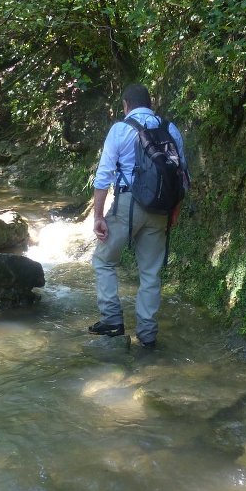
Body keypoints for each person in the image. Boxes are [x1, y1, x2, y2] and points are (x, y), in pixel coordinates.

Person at [89, 84, 187, 349]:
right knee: (151, 273)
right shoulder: (170, 129)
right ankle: (147, 335)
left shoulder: (121, 129)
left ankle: (111, 320)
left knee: (103, 260)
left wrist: (98, 216)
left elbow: (104, 176)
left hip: (127, 205)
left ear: (126, 105)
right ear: (150, 103)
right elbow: (182, 177)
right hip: (161, 208)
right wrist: (173, 213)